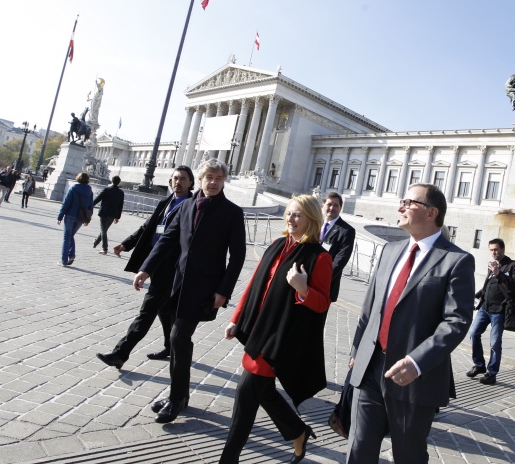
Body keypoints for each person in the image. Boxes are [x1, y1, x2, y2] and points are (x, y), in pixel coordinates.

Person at [345, 184, 475, 464]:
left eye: (408, 202)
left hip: (414, 376)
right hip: (370, 366)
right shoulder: (390, 251)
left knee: (408, 455)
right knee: (358, 450)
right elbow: (369, 307)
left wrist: (416, 362)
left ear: (431, 213)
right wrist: (357, 350)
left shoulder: (457, 260)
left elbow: (456, 321)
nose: (400, 207)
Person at [219, 194, 332, 464]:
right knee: (263, 391)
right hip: (259, 328)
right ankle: (298, 432)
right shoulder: (277, 244)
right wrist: (236, 318)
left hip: (281, 336)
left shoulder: (320, 257)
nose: (290, 219)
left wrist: (303, 288)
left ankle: (228, 459)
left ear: (311, 219)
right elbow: (254, 284)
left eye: (297, 215)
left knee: (247, 391)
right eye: (289, 213)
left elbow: (323, 303)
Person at [134, 158, 245, 424]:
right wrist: (145, 269)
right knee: (176, 339)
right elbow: (167, 241)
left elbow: (238, 256)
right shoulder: (185, 206)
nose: (214, 183)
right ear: (201, 178)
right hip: (178, 283)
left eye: (219, 178)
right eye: (209, 177)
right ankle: (180, 396)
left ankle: (176, 399)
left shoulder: (232, 212)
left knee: (178, 337)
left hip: (205, 288)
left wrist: (224, 291)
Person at [96, 167, 194, 370]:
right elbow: (146, 227)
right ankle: (170, 346)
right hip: (156, 263)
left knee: (147, 311)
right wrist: (125, 244)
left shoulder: (193, 206)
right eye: (175, 178)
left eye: (183, 179)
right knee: (164, 309)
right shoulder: (165, 203)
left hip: (173, 267)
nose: (178, 182)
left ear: (191, 183)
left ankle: (121, 353)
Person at [321, 192, 358, 438]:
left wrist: (317, 280)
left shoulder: (346, 231)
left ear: (340, 208)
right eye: (329, 204)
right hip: (301, 285)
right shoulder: (316, 224)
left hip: (323, 288)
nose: (332, 208)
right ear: (323, 206)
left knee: (315, 330)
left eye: (336, 205)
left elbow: (340, 261)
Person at [467, 238, 515, 385]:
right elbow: (487, 286)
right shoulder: (492, 266)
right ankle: (479, 365)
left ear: (503, 249)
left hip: (500, 310)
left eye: (496, 249)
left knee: (495, 342)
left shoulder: (513, 265)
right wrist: (475, 297)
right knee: (473, 333)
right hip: (485, 308)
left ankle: (492, 373)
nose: (494, 252)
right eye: (491, 250)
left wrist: (499, 274)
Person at [56, 172, 93, 266]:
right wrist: (87, 219)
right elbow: (90, 207)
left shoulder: (73, 188)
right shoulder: (90, 191)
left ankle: (64, 260)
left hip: (70, 215)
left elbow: (66, 203)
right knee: (71, 236)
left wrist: (60, 216)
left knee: (67, 237)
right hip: (81, 218)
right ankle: (71, 255)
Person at [92, 176, 125, 255]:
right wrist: (117, 217)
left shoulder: (107, 189)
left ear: (112, 181)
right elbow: (120, 206)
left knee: (103, 230)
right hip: (113, 214)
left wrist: (90, 206)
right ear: (118, 182)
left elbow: (98, 199)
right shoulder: (121, 193)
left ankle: (104, 249)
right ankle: (96, 242)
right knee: (104, 229)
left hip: (104, 213)